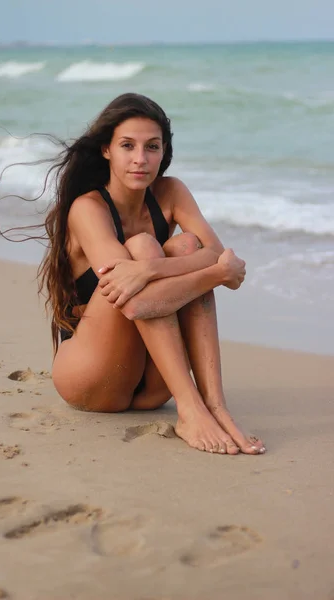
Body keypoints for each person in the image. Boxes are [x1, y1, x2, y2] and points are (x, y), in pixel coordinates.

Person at [40, 92, 265, 455]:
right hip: (92, 379)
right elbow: (136, 302)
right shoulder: (88, 208)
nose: (140, 159)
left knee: (185, 246)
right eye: (127, 145)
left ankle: (214, 405)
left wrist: (151, 268)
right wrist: (216, 274)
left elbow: (212, 251)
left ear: (165, 152)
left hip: (153, 389)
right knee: (146, 246)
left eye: (152, 147)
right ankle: (190, 410)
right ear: (106, 150)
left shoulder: (171, 191)